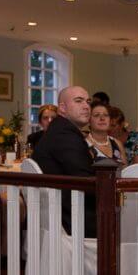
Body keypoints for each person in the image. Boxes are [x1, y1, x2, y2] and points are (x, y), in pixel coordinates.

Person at [32, 86, 97, 238]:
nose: (86, 106)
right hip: (72, 220)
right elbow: (86, 181)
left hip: (62, 214)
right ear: (62, 108)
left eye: (88, 102)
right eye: (78, 101)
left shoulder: (61, 129)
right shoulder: (64, 134)